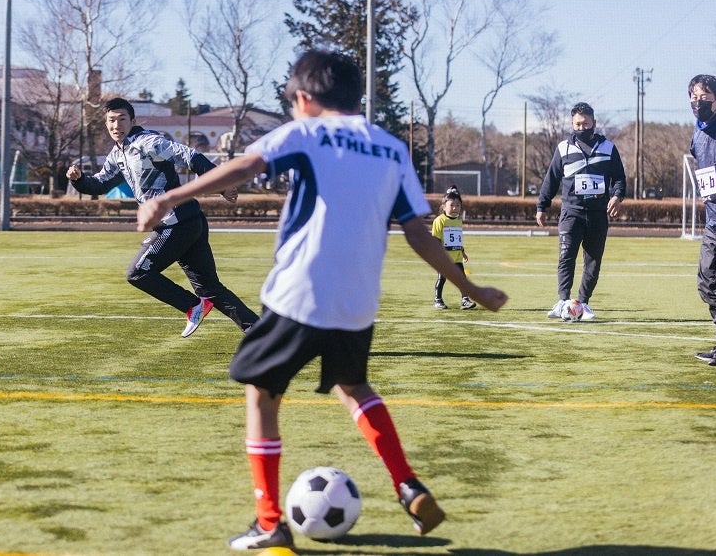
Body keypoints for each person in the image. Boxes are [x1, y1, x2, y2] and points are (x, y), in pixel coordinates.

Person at [136, 49, 508, 550]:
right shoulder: (390, 148)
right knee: (354, 387)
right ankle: (408, 484)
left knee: (261, 394)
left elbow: (246, 165)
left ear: (305, 99)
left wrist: (169, 197)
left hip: (300, 292)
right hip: (357, 300)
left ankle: (269, 521)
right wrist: (472, 289)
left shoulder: (306, 133)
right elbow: (419, 233)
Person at [66, 97, 257, 338]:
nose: (116, 125)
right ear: (106, 124)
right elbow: (100, 184)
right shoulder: (118, 154)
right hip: (189, 221)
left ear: (132, 120)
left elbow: (189, 155)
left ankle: (193, 306)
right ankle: (262, 334)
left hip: (175, 223)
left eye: (122, 119)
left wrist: (223, 183)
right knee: (210, 289)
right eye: (111, 121)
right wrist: (79, 180)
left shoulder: (148, 142)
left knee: (138, 273)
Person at [536, 102, 626, 321]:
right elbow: (551, 179)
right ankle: (562, 301)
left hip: (597, 216)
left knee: (593, 262)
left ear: (594, 122)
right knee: (566, 257)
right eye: (577, 124)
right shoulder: (563, 148)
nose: (582, 127)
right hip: (571, 213)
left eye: (585, 124)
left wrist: (617, 196)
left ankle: (583, 303)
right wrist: (542, 206)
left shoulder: (608, 148)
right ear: (571, 123)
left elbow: (619, 178)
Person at [688, 74, 716, 366]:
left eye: (705, 97)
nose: (699, 103)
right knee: (706, 283)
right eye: (694, 98)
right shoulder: (697, 134)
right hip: (712, 223)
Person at [432, 185, 476, 310]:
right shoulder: (439, 221)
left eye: (458, 205)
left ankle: (465, 300)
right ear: (443, 206)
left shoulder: (458, 220)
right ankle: (437, 299)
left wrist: (463, 252)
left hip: (456, 257)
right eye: (452, 205)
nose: (455, 208)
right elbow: (435, 239)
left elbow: (457, 238)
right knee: (442, 278)